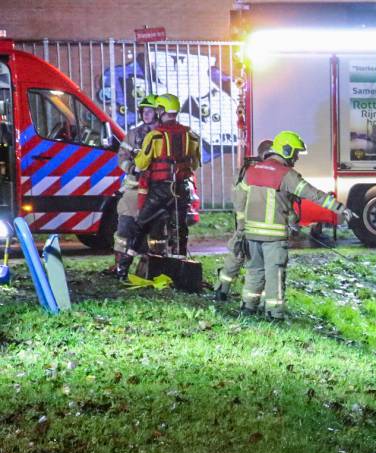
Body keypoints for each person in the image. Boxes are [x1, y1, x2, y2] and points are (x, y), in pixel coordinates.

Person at [238, 130, 347, 319]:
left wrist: (242, 226)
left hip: (251, 235)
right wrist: (338, 207)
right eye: (295, 153)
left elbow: (240, 199)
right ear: (286, 150)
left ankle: (248, 307)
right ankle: (274, 313)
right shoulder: (287, 174)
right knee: (275, 276)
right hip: (274, 238)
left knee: (254, 271)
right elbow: (314, 194)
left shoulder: (252, 171)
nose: (296, 158)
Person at [115, 93, 200, 278]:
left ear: (160, 111)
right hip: (181, 190)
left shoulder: (155, 136)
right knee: (179, 232)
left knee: (140, 226)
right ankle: (179, 274)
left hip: (159, 190)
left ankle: (122, 269)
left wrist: (140, 164)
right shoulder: (191, 135)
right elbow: (194, 164)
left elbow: (142, 164)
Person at [214, 139, 274, 301]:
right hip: (252, 224)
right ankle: (223, 290)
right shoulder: (251, 170)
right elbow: (239, 198)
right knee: (245, 257)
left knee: (242, 257)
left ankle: (223, 289)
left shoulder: (250, 170)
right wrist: (242, 224)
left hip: (253, 224)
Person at [111, 95, 159, 273]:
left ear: (158, 113)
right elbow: (122, 157)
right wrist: (133, 168)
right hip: (135, 188)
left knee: (155, 233)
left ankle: (149, 268)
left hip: (158, 191)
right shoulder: (133, 135)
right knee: (125, 227)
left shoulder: (164, 136)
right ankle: (119, 265)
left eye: (149, 111)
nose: (145, 115)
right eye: (143, 111)